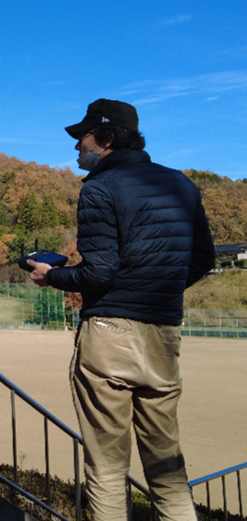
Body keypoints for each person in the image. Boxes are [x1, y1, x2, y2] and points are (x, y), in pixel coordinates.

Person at [28, 99, 215, 521]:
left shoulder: (98, 188)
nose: (77, 148)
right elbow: (202, 259)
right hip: (164, 336)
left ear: (108, 138)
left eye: (83, 137)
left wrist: (50, 276)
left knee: (108, 471)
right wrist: (154, 288)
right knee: (168, 472)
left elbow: (99, 273)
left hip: (110, 337)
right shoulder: (182, 186)